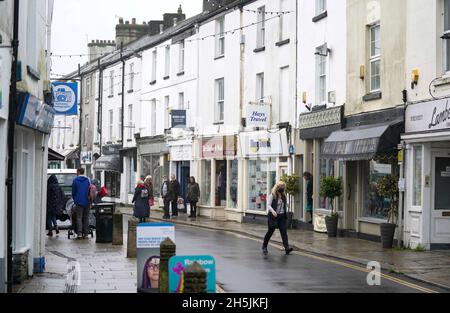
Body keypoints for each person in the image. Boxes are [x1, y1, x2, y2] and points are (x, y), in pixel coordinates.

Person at [262, 181, 293, 256]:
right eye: (280, 187)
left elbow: (284, 204)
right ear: (277, 187)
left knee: (284, 232)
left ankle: (287, 248)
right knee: (270, 231)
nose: (282, 189)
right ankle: (264, 246)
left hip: (281, 216)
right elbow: (268, 205)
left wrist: (287, 205)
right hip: (273, 216)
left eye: (283, 187)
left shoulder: (283, 195)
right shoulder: (272, 195)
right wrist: (273, 211)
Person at [72, 168, 91, 239]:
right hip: (87, 201)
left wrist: (75, 199)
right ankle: (86, 233)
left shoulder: (75, 180)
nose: (76, 173)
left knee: (79, 217)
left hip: (79, 201)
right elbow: (90, 191)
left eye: (77, 172)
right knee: (86, 217)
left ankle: (79, 233)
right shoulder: (88, 180)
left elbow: (73, 192)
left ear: (79, 172)